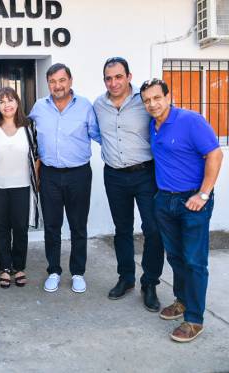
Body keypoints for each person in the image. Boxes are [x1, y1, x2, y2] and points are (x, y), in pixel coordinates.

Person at [140, 78, 223, 342]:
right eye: (147, 100)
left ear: (168, 96)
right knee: (175, 257)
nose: (152, 104)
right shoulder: (153, 126)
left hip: (193, 201)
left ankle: (194, 319)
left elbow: (215, 154)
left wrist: (203, 193)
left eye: (156, 98)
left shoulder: (191, 120)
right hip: (165, 201)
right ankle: (182, 301)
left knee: (194, 261)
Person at [93, 58, 164, 312]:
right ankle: (126, 278)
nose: (113, 82)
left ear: (129, 76)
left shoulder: (144, 102)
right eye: (108, 78)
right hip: (114, 175)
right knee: (122, 229)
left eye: (118, 77)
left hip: (145, 173)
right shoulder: (98, 105)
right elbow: (97, 133)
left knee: (153, 229)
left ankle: (150, 283)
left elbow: (162, 124)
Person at [29, 63, 101, 294]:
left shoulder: (85, 106)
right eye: (52, 81)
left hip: (79, 174)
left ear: (70, 81)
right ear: (48, 83)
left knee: (78, 226)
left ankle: (78, 272)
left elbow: (100, 135)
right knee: (52, 226)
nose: (57, 86)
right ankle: (54, 271)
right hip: (49, 174)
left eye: (61, 80)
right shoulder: (39, 107)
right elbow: (25, 133)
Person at [0, 87, 40, 288]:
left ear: (17, 102)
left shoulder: (28, 125)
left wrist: (38, 181)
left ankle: (19, 266)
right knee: (0, 228)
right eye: (2, 102)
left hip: (23, 186)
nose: (7, 105)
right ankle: (5, 268)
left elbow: (36, 155)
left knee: (20, 228)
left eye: (10, 100)